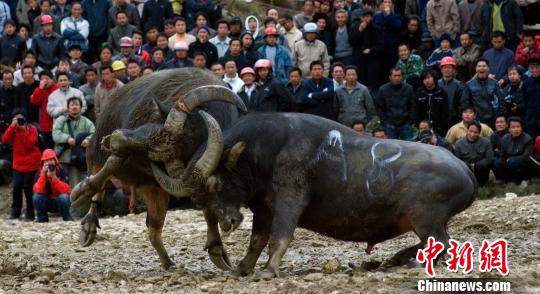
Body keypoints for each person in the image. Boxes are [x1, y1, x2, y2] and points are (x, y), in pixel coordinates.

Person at [2, 108, 41, 220]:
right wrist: (11, 127)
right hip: (18, 164)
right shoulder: (13, 130)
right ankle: (15, 211)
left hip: (31, 163)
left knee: (28, 189)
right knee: (16, 187)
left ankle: (30, 212)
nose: (18, 120)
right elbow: (5, 140)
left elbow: (29, 143)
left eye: (20, 118)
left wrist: (23, 130)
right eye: (16, 118)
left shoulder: (32, 129)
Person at [52, 96, 94, 187]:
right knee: (61, 184)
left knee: (75, 184)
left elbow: (94, 133)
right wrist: (67, 138)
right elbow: (55, 134)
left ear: (80, 107)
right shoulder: (61, 120)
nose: (74, 107)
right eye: (72, 105)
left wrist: (88, 139)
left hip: (78, 159)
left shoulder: (86, 122)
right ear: (68, 107)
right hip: (63, 158)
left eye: (77, 105)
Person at [460, 58, 504, 127]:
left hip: (493, 121)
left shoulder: (495, 83)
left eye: (484, 66)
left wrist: (499, 116)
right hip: (476, 121)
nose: (481, 68)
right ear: (476, 69)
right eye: (479, 66)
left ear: (488, 68)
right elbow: (465, 104)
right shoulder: (469, 85)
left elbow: (501, 101)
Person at [32, 148, 72, 222]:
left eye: (51, 160)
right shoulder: (38, 173)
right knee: (36, 197)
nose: (49, 163)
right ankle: (42, 218)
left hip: (59, 201)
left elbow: (67, 190)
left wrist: (54, 178)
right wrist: (43, 176)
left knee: (64, 197)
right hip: (47, 201)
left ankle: (67, 217)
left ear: (55, 161)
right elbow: (37, 190)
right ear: (43, 163)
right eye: (46, 161)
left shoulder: (61, 171)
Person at [376, 68, 416, 140]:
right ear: (390, 77)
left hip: (405, 124)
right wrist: (385, 122)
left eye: (399, 75)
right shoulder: (383, 89)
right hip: (389, 124)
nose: (397, 78)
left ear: (402, 77)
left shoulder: (409, 88)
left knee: (409, 147)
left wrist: (410, 121)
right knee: (390, 148)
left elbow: (413, 106)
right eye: (394, 76)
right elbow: (379, 107)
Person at [349, 9, 384, 90]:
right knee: (360, 82)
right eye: (364, 17)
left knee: (372, 83)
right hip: (359, 59)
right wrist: (359, 31)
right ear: (360, 18)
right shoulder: (355, 27)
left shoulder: (376, 29)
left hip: (372, 60)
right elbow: (351, 42)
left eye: (368, 17)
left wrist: (371, 50)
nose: (366, 19)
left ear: (371, 18)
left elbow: (381, 45)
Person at [493, 117, 534, 183]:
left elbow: (526, 157)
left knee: (512, 162)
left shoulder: (528, 139)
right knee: (497, 162)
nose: (516, 129)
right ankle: (507, 181)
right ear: (509, 129)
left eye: (518, 127)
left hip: (523, 165)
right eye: (513, 127)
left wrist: (511, 159)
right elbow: (503, 155)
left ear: (521, 128)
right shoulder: (505, 138)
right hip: (508, 161)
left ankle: (520, 181)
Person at [454, 120, 493, 186]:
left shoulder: (486, 142)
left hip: (481, 169)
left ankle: (482, 185)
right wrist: (468, 166)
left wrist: (476, 165)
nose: (472, 134)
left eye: (476, 132)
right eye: (470, 131)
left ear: (479, 133)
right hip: (466, 170)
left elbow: (489, 158)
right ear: (467, 130)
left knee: (481, 166)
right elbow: (457, 161)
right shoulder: (459, 143)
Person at [415, 69, 450, 135]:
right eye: (424, 79)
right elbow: (415, 110)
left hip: (438, 128)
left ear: (434, 78)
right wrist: (418, 124)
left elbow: (445, 112)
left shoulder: (442, 92)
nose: (426, 81)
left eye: (428, 78)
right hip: (422, 127)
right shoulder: (418, 92)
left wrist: (441, 126)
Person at [30, 70, 57, 149]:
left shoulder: (57, 88)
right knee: (48, 147)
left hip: (56, 122)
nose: (45, 81)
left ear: (52, 79)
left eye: (47, 78)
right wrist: (40, 89)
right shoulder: (39, 89)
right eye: (42, 79)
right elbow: (35, 101)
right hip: (45, 124)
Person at [438, 56, 463, 124]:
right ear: (441, 70)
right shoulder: (437, 84)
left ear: (453, 70)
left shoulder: (459, 85)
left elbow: (461, 105)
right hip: (439, 119)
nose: (447, 70)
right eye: (445, 67)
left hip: (454, 120)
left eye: (449, 67)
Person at [522, 58, 540, 139]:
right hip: (531, 116)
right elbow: (525, 100)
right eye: (532, 68)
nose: (535, 70)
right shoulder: (526, 83)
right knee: (531, 137)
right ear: (529, 69)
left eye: (537, 67)